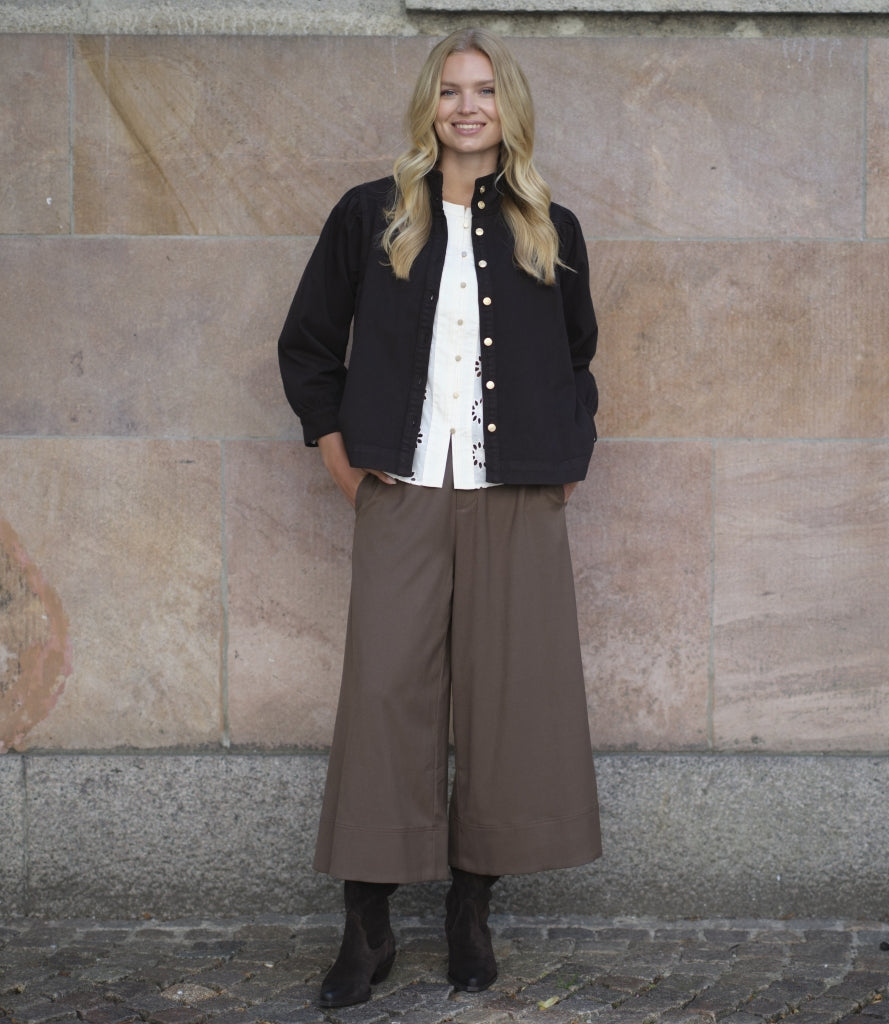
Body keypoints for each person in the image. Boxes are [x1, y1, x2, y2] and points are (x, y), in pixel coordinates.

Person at [278, 26, 602, 1009]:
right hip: (402, 489)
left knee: (506, 699)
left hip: (516, 496)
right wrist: (342, 460)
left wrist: (564, 456)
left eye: (486, 91)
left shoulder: (551, 226)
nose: (469, 108)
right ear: (429, 105)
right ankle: (366, 925)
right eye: (453, 90)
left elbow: (576, 358)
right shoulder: (370, 214)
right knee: (384, 695)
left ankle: (470, 909)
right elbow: (307, 344)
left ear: (510, 109)